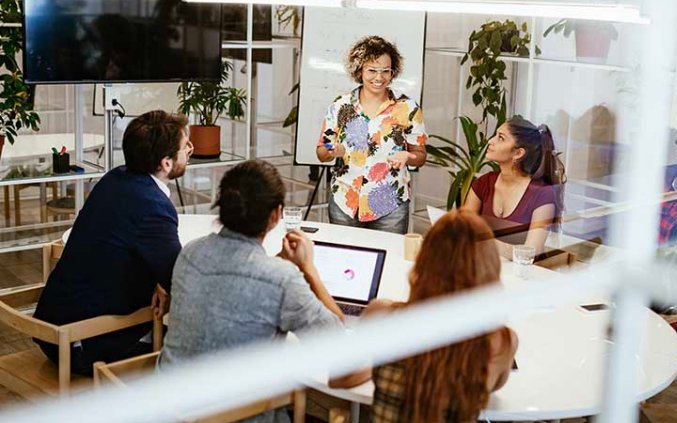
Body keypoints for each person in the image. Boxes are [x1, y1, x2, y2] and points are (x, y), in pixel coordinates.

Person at [159, 160, 344, 422]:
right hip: (240, 414)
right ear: (276, 215)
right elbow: (337, 341)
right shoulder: (281, 279)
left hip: (171, 406)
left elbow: (234, 289)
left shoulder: (191, 252)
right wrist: (308, 268)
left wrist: (282, 262)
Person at [34, 110, 191, 374]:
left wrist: (160, 282)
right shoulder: (154, 207)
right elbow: (181, 280)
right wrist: (165, 282)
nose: (189, 150)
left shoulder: (115, 178)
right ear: (166, 163)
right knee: (195, 347)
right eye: (185, 146)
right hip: (83, 344)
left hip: (53, 328)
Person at [330, 209, 518, 423]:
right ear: (489, 270)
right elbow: (489, 391)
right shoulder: (501, 342)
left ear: (423, 259)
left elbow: (338, 378)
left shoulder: (381, 315)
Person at [316, 35, 427, 234]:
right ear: (359, 71)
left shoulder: (407, 108)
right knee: (346, 260)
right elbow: (322, 152)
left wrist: (409, 156)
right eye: (372, 71)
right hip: (345, 201)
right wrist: (334, 150)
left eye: (386, 71)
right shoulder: (341, 105)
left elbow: (420, 156)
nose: (379, 78)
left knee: (389, 260)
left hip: (390, 204)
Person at [463, 116, 566, 259]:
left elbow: (531, 252)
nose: (490, 141)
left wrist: (481, 242)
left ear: (518, 153)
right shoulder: (483, 183)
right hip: (486, 268)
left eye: (500, 138)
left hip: (524, 276)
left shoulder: (542, 194)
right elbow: (461, 228)